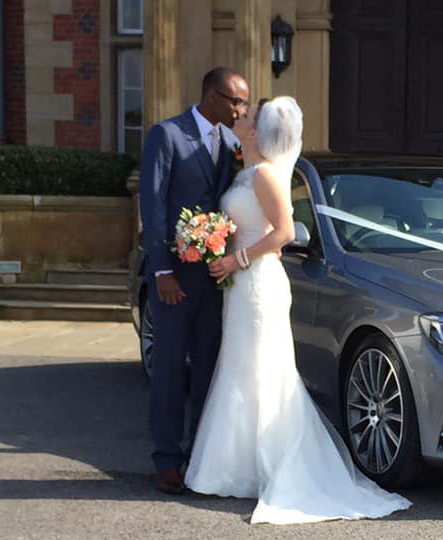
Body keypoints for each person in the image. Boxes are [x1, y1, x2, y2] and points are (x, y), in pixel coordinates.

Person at [183, 96, 412, 524]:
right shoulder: (243, 173)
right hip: (240, 286)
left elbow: (285, 232)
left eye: (248, 115)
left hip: (259, 282)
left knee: (261, 371)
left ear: (256, 131)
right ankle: (236, 469)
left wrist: (236, 259)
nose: (240, 116)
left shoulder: (266, 176)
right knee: (239, 369)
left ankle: (269, 468)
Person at [138, 67, 249, 495]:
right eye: (234, 101)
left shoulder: (230, 142)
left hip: (215, 280)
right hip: (174, 279)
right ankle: (166, 460)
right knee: (168, 369)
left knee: (208, 368)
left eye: (244, 102)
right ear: (210, 95)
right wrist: (161, 270)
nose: (240, 109)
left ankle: (201, 456)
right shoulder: (166, 135)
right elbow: (153, 205)